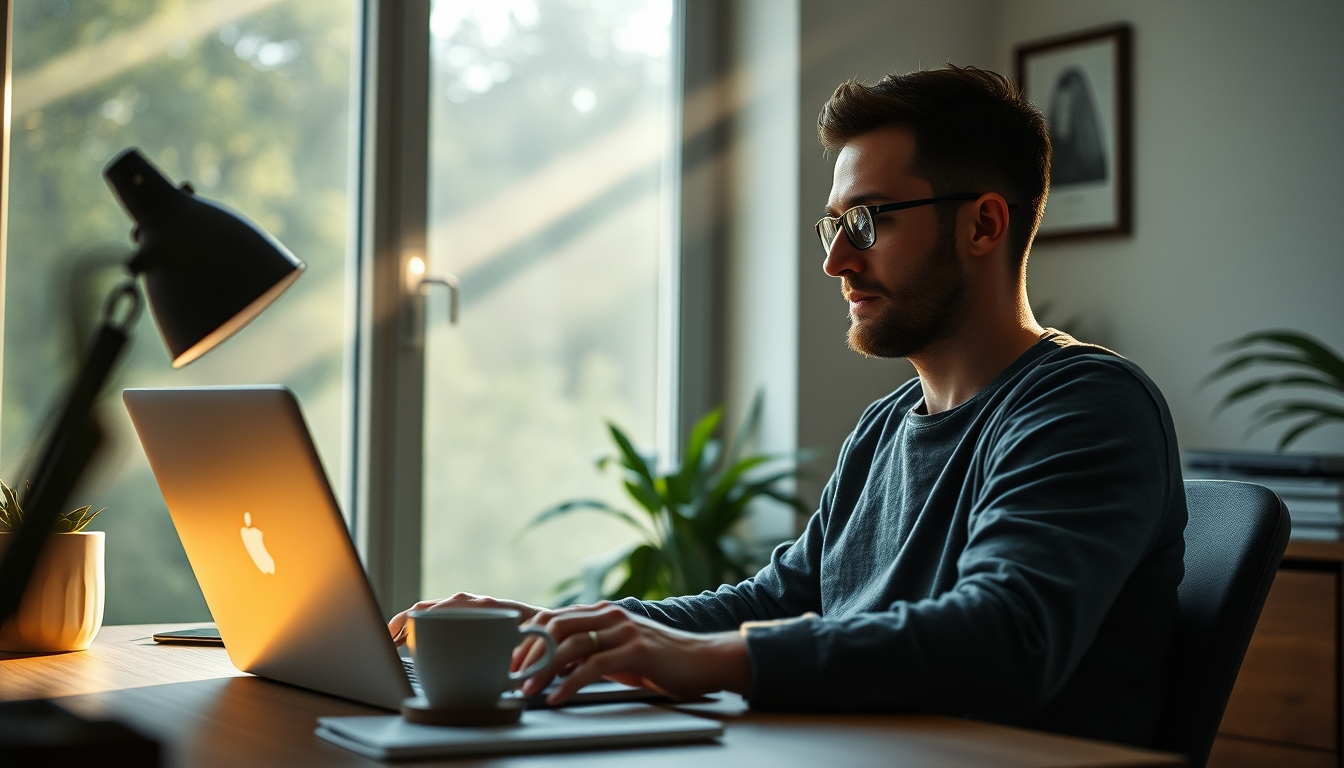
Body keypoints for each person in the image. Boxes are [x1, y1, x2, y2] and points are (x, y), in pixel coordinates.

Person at [389, 65, 1185, 748]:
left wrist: (702, 660)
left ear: (983, 223)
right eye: (833, 227)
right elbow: (777, 601)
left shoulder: (1084, 406)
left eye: (867, 221)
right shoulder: (885, 429)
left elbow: (1005, 636)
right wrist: (559, 626)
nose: (838, 260)